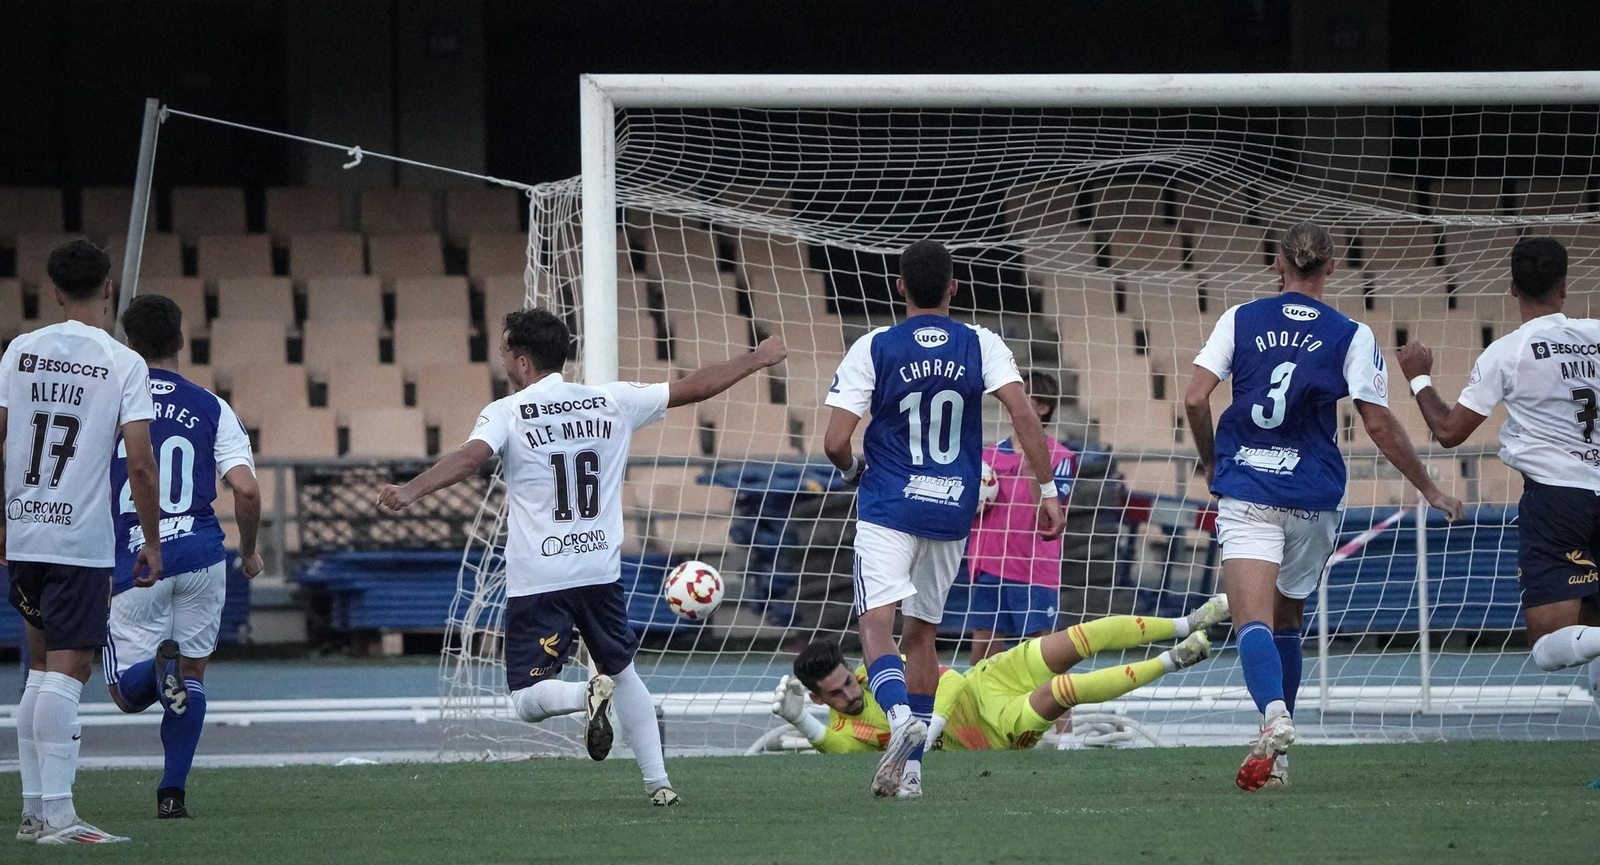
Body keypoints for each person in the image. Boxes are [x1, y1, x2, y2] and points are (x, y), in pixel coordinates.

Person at [377, 308, 784, 806]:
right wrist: (757, 358)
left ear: (523, 361)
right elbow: (693, 387)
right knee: (624, 671)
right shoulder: (609, 400)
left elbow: (470, 458)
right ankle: (659, 783)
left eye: (505, 349)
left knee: (527, 701)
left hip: (541, 575)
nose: (503, 357)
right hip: (599, 569)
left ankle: (581, 695)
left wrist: (412, 490)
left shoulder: (508, 410)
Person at [1184, 221, 1463, 792]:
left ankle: (1272, 717)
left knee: (1250, 621)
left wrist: (1212, 460)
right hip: (1312, 495)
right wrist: (1429, 487)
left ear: (1278, 264)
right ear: (1331, 267)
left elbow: (1193, 397)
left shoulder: (1240, 318)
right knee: (1288, 619)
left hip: (1250, 490)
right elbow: (1378, 422)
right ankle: (1279, 761)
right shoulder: (1352, 333)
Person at [824, 239, 1066, 799]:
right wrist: (1047, 488)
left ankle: (897, 714)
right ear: (955, 286)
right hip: (953, 506)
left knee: (875, 625)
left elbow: (835, 441)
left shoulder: (874, 346)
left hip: (889, 501)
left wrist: (854, 468)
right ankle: (911, 774)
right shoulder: (980, 343)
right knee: (924, 633)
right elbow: (1023, 411)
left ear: (900, 287)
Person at [2, 240, 163, 844]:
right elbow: (141, 464)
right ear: (108, 289)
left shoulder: (20, 351)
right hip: (79, 537)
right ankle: (60, 816)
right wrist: (150, 541)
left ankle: (33, 811)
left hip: (25, 530)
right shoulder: (123, 362)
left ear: (52, 289)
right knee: (69, 672)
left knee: (41, 668)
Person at [1397, 236, 1600, 713]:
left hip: (1557, 502)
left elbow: (1448, 432)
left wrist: (1419, 376)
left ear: (1511, 287)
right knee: (1590, 627)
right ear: (1566, 288)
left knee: (1549, 644)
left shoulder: (1507, 353)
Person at [101, 294, 264, 819]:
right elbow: (246, 491)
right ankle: (172, 795)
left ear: (129, 343)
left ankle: (155, 670)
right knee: (190, 679)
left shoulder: (110, 403)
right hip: (200, 555)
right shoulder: (211, 405)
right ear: (180, 340)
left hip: (135, 558)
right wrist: (252, 554)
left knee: (126, 695)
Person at [772, 595, 1227, 753]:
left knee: (1076, 638)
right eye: (837, 694)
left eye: (849, 680)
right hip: (994, 732)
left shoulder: (881, 678)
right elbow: (838, 747)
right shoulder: (847, 730)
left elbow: (947, 679)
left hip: (988, 681)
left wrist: (929, 728)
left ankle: (1186, 624)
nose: (852, 693)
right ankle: (1174, 660)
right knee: (1062, 691)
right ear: (818, 700)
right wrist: (803, 724)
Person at [964, 370, 1076, 665]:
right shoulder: (987, 455)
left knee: (1043, 655)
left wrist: (1031, 467)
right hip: (989, 564)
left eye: (1024, 393)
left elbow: (1048, 517)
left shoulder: (1060, 458)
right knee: (983, 655)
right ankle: (979, 711)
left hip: (1033, 568)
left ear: (1042, 407)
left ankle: (1061, 713)